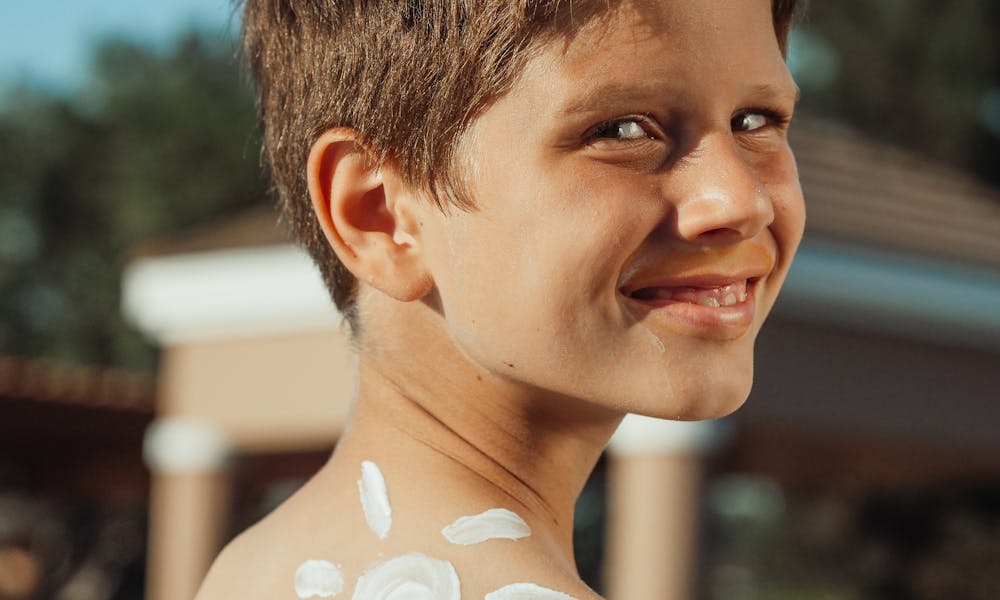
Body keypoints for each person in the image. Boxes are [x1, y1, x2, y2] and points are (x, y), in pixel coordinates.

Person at [196, 0, 804, 597]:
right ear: (381, 215)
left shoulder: (247, 569)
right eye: (622, 130)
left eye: (756, 121)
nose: (739, 199)